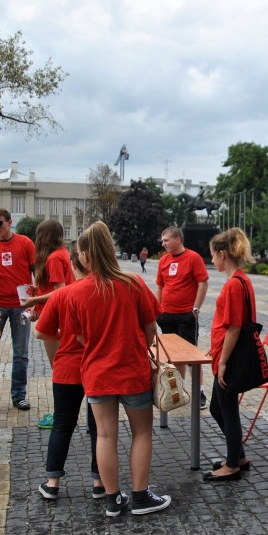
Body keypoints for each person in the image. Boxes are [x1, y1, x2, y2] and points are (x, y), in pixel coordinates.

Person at [66, 221, 170, 518]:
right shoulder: (133, 283)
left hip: (97, 374)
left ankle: (113, 500)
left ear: (85, 256)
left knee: (105, 436)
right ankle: (140, 496)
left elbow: (80, 337)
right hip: (132, 371)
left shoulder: (76, 292)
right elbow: (151, 327)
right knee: (141, 433)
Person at [35, 245, 102, 500]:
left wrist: (65, 335)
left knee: (63, 424)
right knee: (99, 427)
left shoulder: (63, 295)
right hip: (96, 366)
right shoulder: (103, 290)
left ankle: (52, 482)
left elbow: (41, 332)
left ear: (74, 266)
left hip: (67, 368)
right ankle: (99, 481)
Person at [203, 227, 256, 483]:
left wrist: (222, 360)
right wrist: (215, 349)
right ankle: (239, 455)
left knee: (226, 410)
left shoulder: (235, 285)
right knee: (218, 407)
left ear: (222, 254)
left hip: (230, 358)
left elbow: (234, 327)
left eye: (213, 255)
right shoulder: (242, 280)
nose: (212, 260)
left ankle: (233, 464)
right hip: (227, 353)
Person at [21, 219, 73, 429]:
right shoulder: (63, 254)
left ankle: (61, 414)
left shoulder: (53, 258)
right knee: (61, 366)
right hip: (58, 316)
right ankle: (64, 411)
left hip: (56, 318)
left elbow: (60, 292)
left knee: (58, 368)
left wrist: (34, 301)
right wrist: (37, 302)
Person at [0, 208, 36, 411]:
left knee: (20, 353)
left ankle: (19, 395)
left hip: (20, 306)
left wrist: (35, 300)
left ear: (9, 222)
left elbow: (35, 270)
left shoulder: (25, 243)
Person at [154, 226, 209, 409]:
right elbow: (160, 287)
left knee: (192, 357)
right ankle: (178, 390)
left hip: (186, 315)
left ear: (178, 240)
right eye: (162, 241)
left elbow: (202, 283)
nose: (163, 243)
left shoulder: (193, 258)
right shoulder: (163, 261)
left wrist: (196, 308)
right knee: (172, 357)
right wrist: (157, 310)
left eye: (166, 240)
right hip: (167, 314)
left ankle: (199, 392)